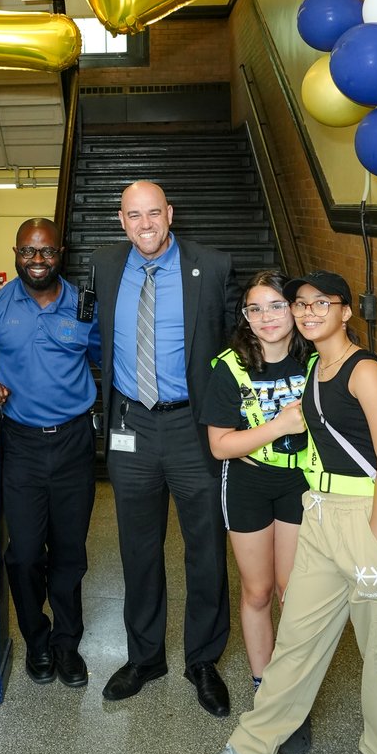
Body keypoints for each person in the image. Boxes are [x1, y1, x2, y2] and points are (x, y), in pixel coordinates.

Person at [186, 270, 377, 754]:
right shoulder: (316, 368)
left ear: (346, 312)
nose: (308, 311)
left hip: (367, 518)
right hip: (320, 512)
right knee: (295, 641)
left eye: (321, 303)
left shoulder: (365, 371)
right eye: (302, 303)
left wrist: (373, 548)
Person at [93, 180, 241, 713]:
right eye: (135, 216)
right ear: (121, 220)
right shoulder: (106, 267)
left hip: (192, 427)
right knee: (137, 547)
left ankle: (202, 658)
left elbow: (232, 346)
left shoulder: (213, 264)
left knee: (205, 546)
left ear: (170, 214)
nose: (146, 225)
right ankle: (144, 655)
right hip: (131, 423)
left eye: (154, 213)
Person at [0, 218, 100, 688]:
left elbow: (108, 357)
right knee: (22, 555)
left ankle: (66, 644)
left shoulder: (84, 305)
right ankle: (36, 639)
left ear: (61, 253)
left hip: (75, 443)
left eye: (47, 252)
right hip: (19, 444)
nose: (37, 261)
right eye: (27, 252)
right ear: (15, 253)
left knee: (69, 551)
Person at [200, 270, 313, 754]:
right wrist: (280, 424)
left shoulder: (316, 360)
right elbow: (221, 446)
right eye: (255, 308)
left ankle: (292, 696)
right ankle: (265, 689)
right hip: (247, 485)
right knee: (259, 589)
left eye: (276, 305)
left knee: (293, 590)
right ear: (245, 318)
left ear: (294, 309)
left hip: (299, 482)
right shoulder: (228, 367)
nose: (267, 317)